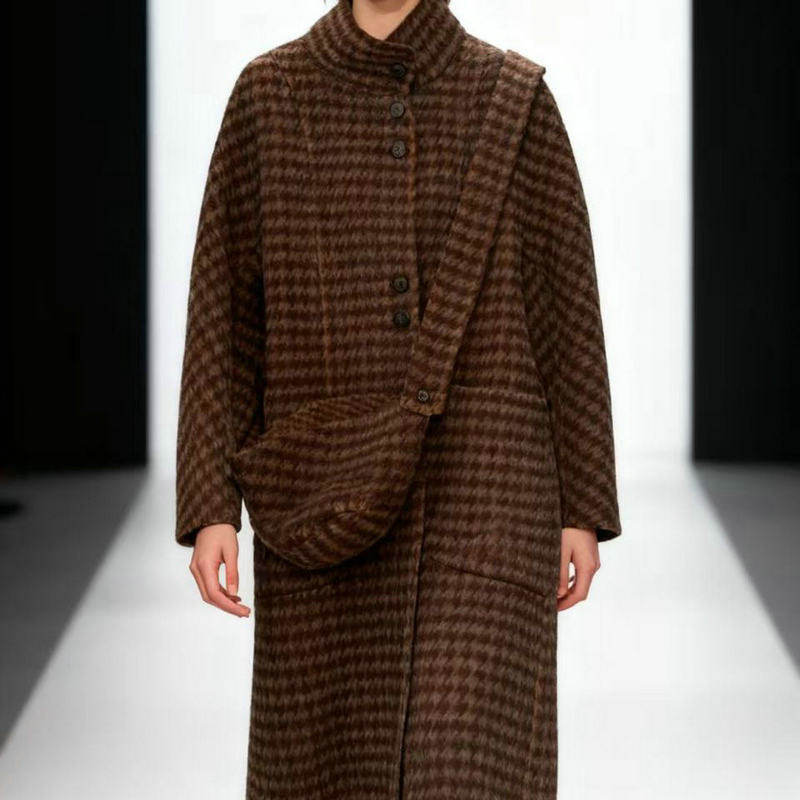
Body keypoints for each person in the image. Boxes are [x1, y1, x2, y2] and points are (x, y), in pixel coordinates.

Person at [175, 0, 621, 797]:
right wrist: (211, 506)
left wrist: (583, 506)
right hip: (322, 499)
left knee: (464, 762)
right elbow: (224, 312)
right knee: (328, 767)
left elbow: (568, 311)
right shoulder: (270, 97)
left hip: (486, 488)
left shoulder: (512, 101)